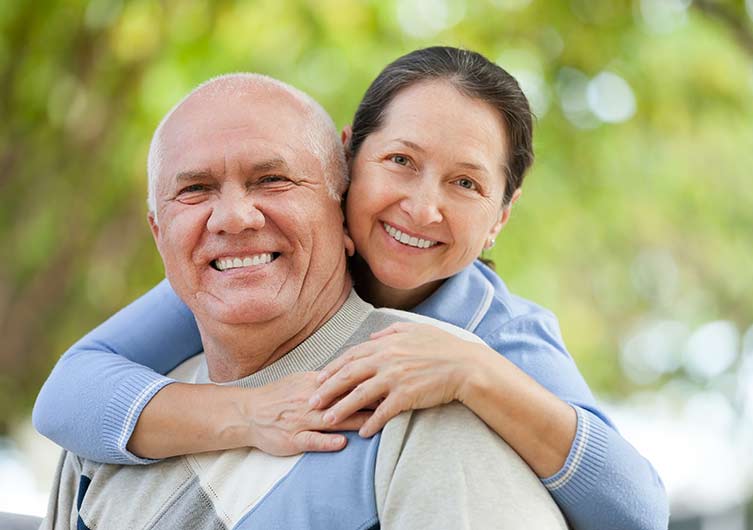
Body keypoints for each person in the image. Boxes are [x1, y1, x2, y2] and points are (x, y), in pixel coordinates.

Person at [34, 47, 669, 529]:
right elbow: (70, 391)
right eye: (400, 161)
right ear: (346, 163)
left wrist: (476, 372)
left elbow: (637, 510)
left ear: (502, 215)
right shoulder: (246, 267)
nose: (422, 209)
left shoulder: (498, 336)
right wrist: (247, 415)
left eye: (467, 184)